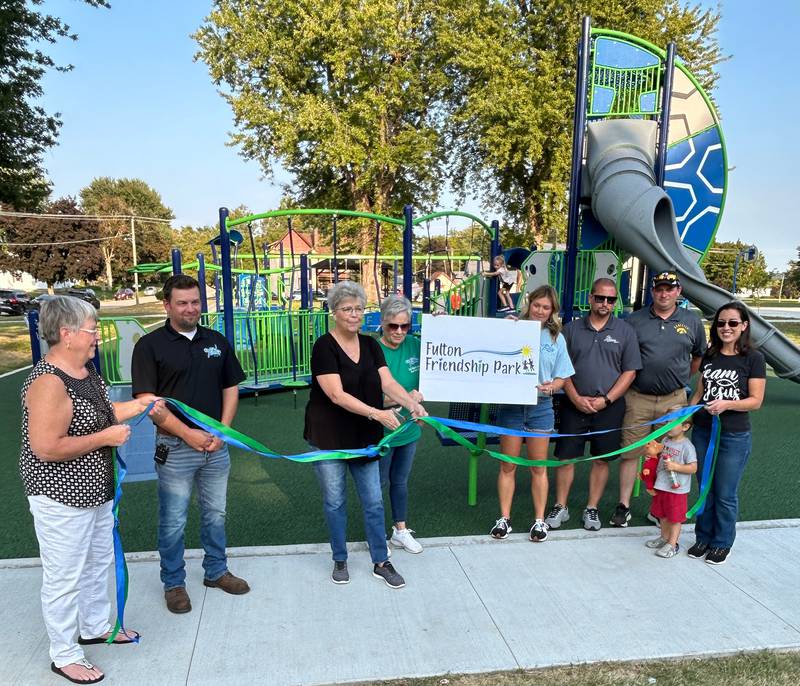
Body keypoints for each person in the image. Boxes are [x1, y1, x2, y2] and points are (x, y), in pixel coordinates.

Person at [21, 296, 162, 684]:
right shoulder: (49, 382)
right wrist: (106, 437)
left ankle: (97, 625)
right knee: (64, 576)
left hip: (96, 492)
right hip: (61, 496)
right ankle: (64, 653)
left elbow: (101, 414)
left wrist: (138, 406)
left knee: (99, 562)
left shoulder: (86, 372)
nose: (98, 335)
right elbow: (46, 447)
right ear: (67, 335)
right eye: (92, 329)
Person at [131, 274, 249, 615]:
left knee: (216, 514)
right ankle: (174, 582)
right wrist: (189, 435)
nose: (190, 308)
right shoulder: (150, 346)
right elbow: (148, 402)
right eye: (182, 303)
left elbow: (230, 386)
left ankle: (216, 571)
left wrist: (223, 432)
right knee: (173, 521)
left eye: (195, 302)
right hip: (176, 450)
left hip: (216, 447)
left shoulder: (216, 341)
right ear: (167, 305)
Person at [305, 282, 427, 588]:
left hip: (364, 438)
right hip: (329, 437)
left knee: (373, 501)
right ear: (334, 312)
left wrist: (411, 403)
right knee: (335, 502)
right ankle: (340, 558)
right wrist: (378, 413)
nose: (354, 314)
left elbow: (387, 382)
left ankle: (381, 561)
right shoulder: (324, 346)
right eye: (347, 309)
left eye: (359, 308)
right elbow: (336, 395)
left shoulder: (371, 346)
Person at [546, 278, 641, 532]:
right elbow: (560, 368)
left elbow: (629, 372)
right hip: (572, 403)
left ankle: (592, 508)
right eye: (600, 298)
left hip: (608, 406)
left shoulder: (625, 331)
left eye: (610, 299)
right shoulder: (571, 329)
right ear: (590, 298)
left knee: (601, 460)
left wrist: (606, 400)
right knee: (566, 458)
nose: (605, 304)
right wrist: (576, 398)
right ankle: (561, 506)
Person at [615, 271, 706, 528]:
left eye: (669, 289)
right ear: (652, 291)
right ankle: (623, 505)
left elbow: (697, 357)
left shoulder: (692, 321)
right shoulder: (635, 320)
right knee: (631, 453)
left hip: (673, 400)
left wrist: (677, 379)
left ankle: (660, 509)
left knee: (668, 454)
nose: (664, 293)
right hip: (638, 398)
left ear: (678, 291)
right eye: (659, 289)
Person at [490, 285, 575, 542]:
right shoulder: (513, 328)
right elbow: (482, 340)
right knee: (508, 465)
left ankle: (539, 521)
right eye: (537, 305)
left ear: (552, 311)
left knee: (538, 467)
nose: (540, 311)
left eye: (546, 307)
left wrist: (553, 386)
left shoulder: (556, 337)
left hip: (541, 408)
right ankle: (504, 519)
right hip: (512, 408)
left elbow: (562, 376)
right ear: (529, 304)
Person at [687, 301, 765, 565]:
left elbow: (755, 400)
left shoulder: (753, 359)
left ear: (744, 326)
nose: (726, 328)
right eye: (721, 323)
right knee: (705, 487)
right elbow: (699, 392)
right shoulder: (710, 355)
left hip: (733, 436)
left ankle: (722, 542)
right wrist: (686, 417)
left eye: (733, 323)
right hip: (702, 432)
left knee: (725, 491)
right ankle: (704, 537)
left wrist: (727, 404)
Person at [377, 295, 424, 554]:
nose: (398, 332)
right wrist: (407, 400)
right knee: (378, 483)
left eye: (404, 326)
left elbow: (443, 359)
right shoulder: (373, 350)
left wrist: (442, 324)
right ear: (382, 323)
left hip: (409, 429)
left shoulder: (415, 345)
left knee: (400, 481)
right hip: (381, 431)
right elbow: (368, 397)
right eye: (392, 326)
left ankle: (400, 530)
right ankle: (377, 534)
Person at [644, 408, 697, 558]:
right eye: (667, 421)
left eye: (672, 422)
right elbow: (659, 456)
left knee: (675, 518)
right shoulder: (665, 441)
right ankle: (664, 538)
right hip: (662, 485)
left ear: (685, 427)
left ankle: (672, 544)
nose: (667, 424)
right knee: (662, 515)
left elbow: (693, 468)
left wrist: (676, 467)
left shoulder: (687, 446)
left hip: (677, 490)